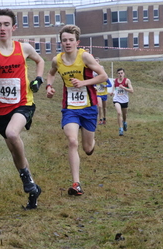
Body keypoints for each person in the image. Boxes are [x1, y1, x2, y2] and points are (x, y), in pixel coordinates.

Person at [0, 9, 45, 209]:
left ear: (13, 27)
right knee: (15, 153)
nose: (3, 28)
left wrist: (38, 79)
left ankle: (26, 180)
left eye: (6, 24)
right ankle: (32, 190)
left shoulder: (23, 48)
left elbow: (40, 61)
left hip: (24, 103)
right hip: (2, 109)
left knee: (13, 134)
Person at [45, 25, 107, 196]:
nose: (67, 43)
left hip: (88, 107)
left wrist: (84, 83)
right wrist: (49, 87)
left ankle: (91, 144)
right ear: (61, 42)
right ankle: (76, 183)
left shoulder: (85, 57)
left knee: (87, 148)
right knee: (72, 141)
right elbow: (50, 74)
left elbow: (104, 76)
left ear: (77, 42)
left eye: (71, 40)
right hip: (70, 108)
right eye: (64, 40)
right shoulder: (57, 60)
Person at [110, 68, 134, 136]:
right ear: (117, 74)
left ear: (124, 73)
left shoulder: (127, 81)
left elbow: (132, 91)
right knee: (119, 113)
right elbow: (114, 87)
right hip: (117, 99)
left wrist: (123, 87)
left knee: (124, 115)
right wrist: (112, 92)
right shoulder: (115, 81)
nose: (120, 74)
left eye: (121, 73)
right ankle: (120, 129)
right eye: (119, 73)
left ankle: (125, 122)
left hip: (124, 100)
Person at [94, 57, 112, 125]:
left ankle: (104, 118)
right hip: (98, 93)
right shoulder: (96, 77)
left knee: (104, 107)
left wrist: (105, 86)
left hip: (104, 93)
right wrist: (94, 87)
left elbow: (110, 85)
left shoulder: (105, 78)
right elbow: (93, 84)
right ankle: (100, 119)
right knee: (100, 106)